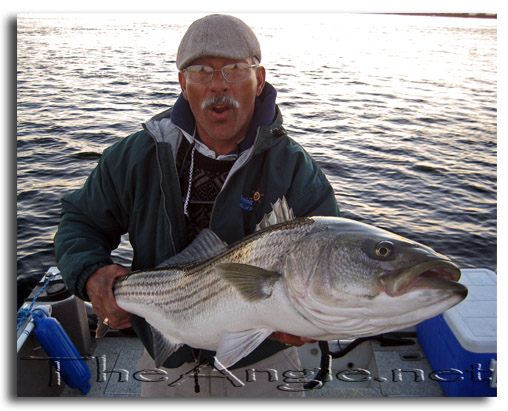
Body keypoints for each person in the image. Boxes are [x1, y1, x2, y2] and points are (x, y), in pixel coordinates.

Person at [54, 14, 340, 397]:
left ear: (260, 80)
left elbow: (326, 264)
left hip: (263, 361)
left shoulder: (296, 172)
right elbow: (79, 221)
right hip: (165, 359)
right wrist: (90, 274)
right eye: (202, 71)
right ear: (183, 84)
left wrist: (310, 319)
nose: (218, 85)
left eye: (236, 69)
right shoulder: (138, 156)